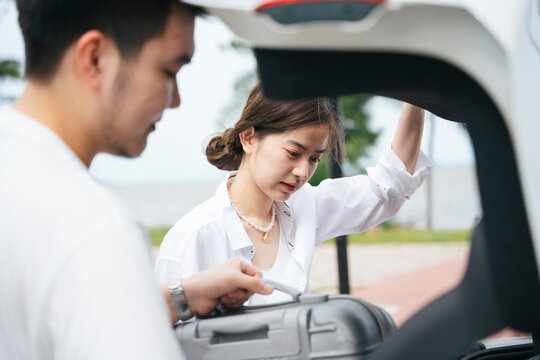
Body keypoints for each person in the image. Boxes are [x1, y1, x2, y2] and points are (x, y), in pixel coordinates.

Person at [0, 1, 273, 359]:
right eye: (168, 70)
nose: (175, 100)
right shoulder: (96, 228)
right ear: (95, 59)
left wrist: (183, 295)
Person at [156, 84, 432, 304]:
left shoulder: (304, 207)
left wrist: (416, 96)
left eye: (314, 158)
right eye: (293, 153)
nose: (303, 171)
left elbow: (388, 187)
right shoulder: (194, 236)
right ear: (249, 138)